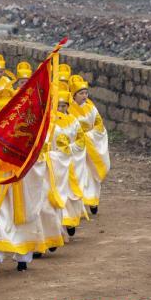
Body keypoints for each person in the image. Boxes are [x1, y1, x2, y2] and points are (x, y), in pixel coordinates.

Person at [68, 75, 109, 215]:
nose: (84, 96)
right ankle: (77, 205)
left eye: (86, 93)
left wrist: (89, 136)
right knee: (78, 174)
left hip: (90, 147)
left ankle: (92, 201)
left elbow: (99, 124)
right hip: (76, 148)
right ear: (74, 95)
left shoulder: (91, 108)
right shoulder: (68, 110)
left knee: (91, 174)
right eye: (81, 93)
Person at [49, 91, 88, 237]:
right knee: (57, 192)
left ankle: (70, 220)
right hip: (55, 162)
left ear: (67, 106)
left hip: (71, 161)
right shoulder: (50, 122)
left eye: (63, 105)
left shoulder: (73, 121)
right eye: (58, 105)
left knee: (71, 192)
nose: (61, 108)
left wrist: (69, 149)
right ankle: (58, 226)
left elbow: (80, 140)